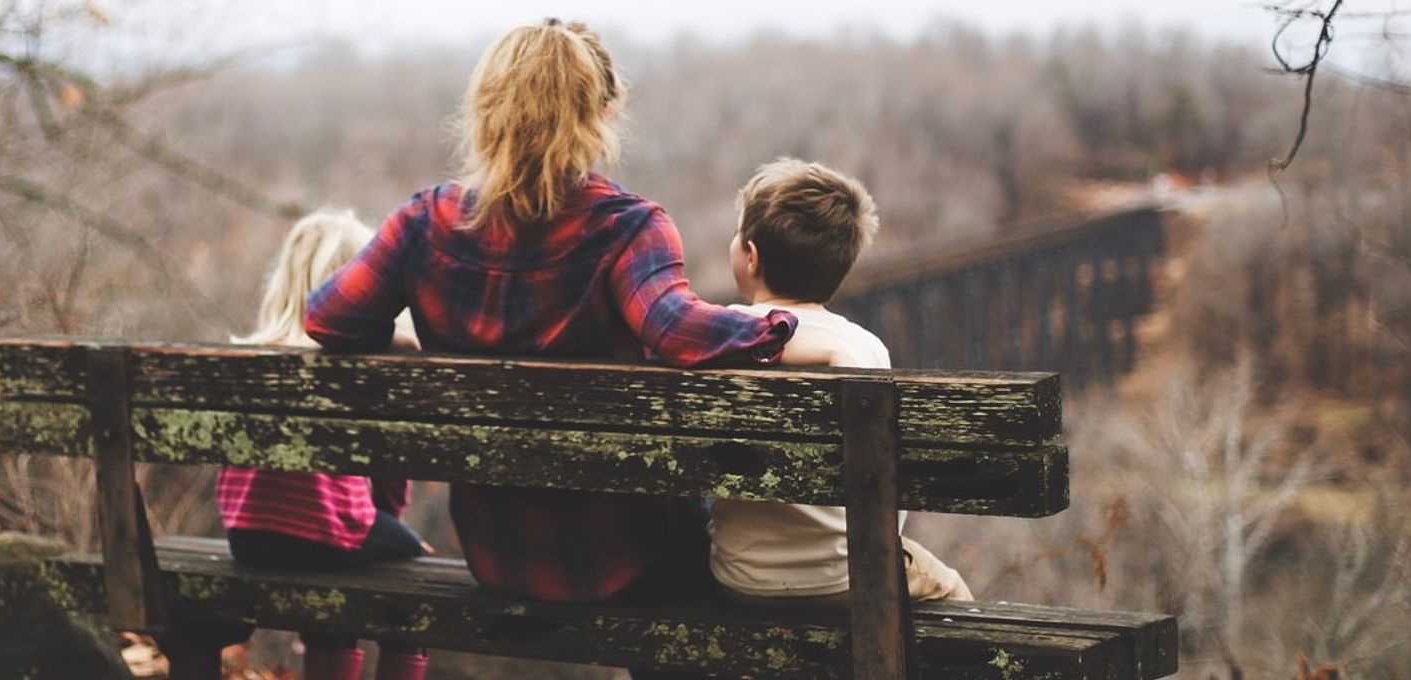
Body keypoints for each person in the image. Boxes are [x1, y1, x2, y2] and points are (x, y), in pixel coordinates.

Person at [303, 17, 795, 622]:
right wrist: (782, 326)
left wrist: (397, 339)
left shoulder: (423, 222)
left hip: (499, 559)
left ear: (487, 109)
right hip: (634, 563)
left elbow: (328, 318)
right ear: (601, 113)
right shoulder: (627, 228)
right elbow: (675, 329)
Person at [710, 158, 973, 609]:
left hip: (740, 578)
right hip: (848, 579)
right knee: (951, 588)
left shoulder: (716, 335)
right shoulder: (864, 348)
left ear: (750, 256)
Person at [219, 210, 428, 680]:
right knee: (413, 582)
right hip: (327, 534)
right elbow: (390, 468)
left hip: (245, 537)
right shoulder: (360, 365)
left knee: (341, 572)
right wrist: (391, 526)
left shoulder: (247, 359)